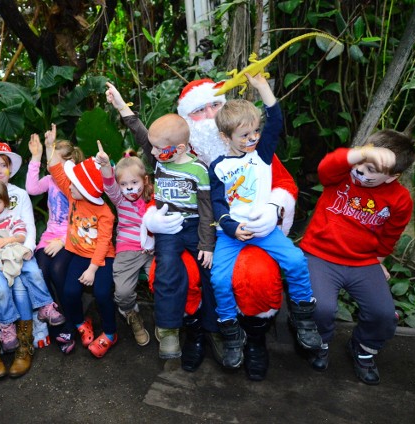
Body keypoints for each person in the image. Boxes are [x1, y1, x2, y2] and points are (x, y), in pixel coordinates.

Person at [106, 80, 296, 380]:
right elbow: (161, 187)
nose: (209, 114)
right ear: (185, 120)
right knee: (175, 273)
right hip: (188, 232)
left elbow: (283, 184)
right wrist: (152, 217)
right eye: (199, 110)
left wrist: (275, 208)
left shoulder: (250, 144)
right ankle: (193, 333)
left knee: (255, 276)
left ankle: (251, 340)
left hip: (242, 234)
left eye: (215, 105)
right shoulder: (172, 148)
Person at [209, 73, 321, 369]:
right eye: (244, 136)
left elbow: (275, 119)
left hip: (265, 230)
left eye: (255, 132)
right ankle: (232, 333)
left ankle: (303, 318)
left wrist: (263, 88)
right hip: (231, 234)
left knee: (296, 261)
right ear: (225, 138)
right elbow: (218, 203)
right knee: (219, 279)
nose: (252, 139)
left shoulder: (261, 156)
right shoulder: (218, 167)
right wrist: (232, 227)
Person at [299, 129, 415, 385]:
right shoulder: (340, 175)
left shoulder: (400, 199)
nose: (362, 171)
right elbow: (326, 166)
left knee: (383, 314)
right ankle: (320, 343)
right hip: (320, 255)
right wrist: (359, 154)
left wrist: (380, 260)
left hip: (363, 261)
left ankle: (363, 348)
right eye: (362, 162)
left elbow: (391, 233)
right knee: (321, 308)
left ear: (392, 176)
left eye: (373, 170)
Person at [0, 140, 61, 378]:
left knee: (20, 287)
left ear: (10, 168)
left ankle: (24, 347)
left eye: (3, 165)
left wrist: (26, 250)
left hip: (18, 252)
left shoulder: (19, 195)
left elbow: (28, 228)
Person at [144, 112, 214, 360]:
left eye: (158, 148)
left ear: (179, 148)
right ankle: (169, 329)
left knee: (209, 272)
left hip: (194, 225)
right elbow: (140, 134)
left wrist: (207, 243)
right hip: (169, 227)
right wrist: (121, 107)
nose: (152, 152)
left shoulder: (199, 170)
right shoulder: (160, 162)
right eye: (152, 147)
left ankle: (213, 328)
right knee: (167, 270)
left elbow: (207, 209)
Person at [47, 127, 118, 358]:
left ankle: (109, 332)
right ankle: (80, 323)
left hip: (100, 258)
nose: (69, 185)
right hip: (78, 253)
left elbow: (103, 243)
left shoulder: (105, 213)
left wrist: (92, 269)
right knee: (69, 292)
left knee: (102, 292)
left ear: (88, 191)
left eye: (75, 184)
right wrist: (50, 146)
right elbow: (56, 170)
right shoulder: (72, 193)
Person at [26, 129, 85, 354]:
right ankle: (55, 320)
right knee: (40, 270)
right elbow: (31, 188)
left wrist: (63, 241)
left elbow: (82, 220)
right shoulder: (51, 180)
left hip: (72, 235)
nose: (49, 164)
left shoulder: (77, 184)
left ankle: (70, 324)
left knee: (59, 270)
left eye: (53, 158)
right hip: (50, 235)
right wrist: (35, 157)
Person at [94, 143, 154, 346]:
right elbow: (109, 183)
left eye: (134, 182)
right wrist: (104, 165)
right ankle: (130, 313)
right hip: (128, 247)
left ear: (145, 180)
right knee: (122, 293)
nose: (129, 187)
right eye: (124, 183)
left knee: (163, 282)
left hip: (154, 248)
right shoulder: (120, 199)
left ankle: (167, 325)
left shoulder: (152, 196)